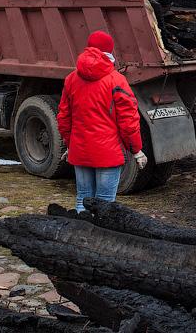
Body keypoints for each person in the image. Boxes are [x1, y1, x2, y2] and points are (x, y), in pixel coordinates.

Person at [57, 30, 147, 213]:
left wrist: (70, 144)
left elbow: (64, 117)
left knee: (83, 198)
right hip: (108, 152)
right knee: (105, 203)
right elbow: (128, 121)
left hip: (80, 150)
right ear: (110, 52)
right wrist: (136, 150)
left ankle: (80, 230)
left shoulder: (71, 79)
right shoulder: (117, 80)